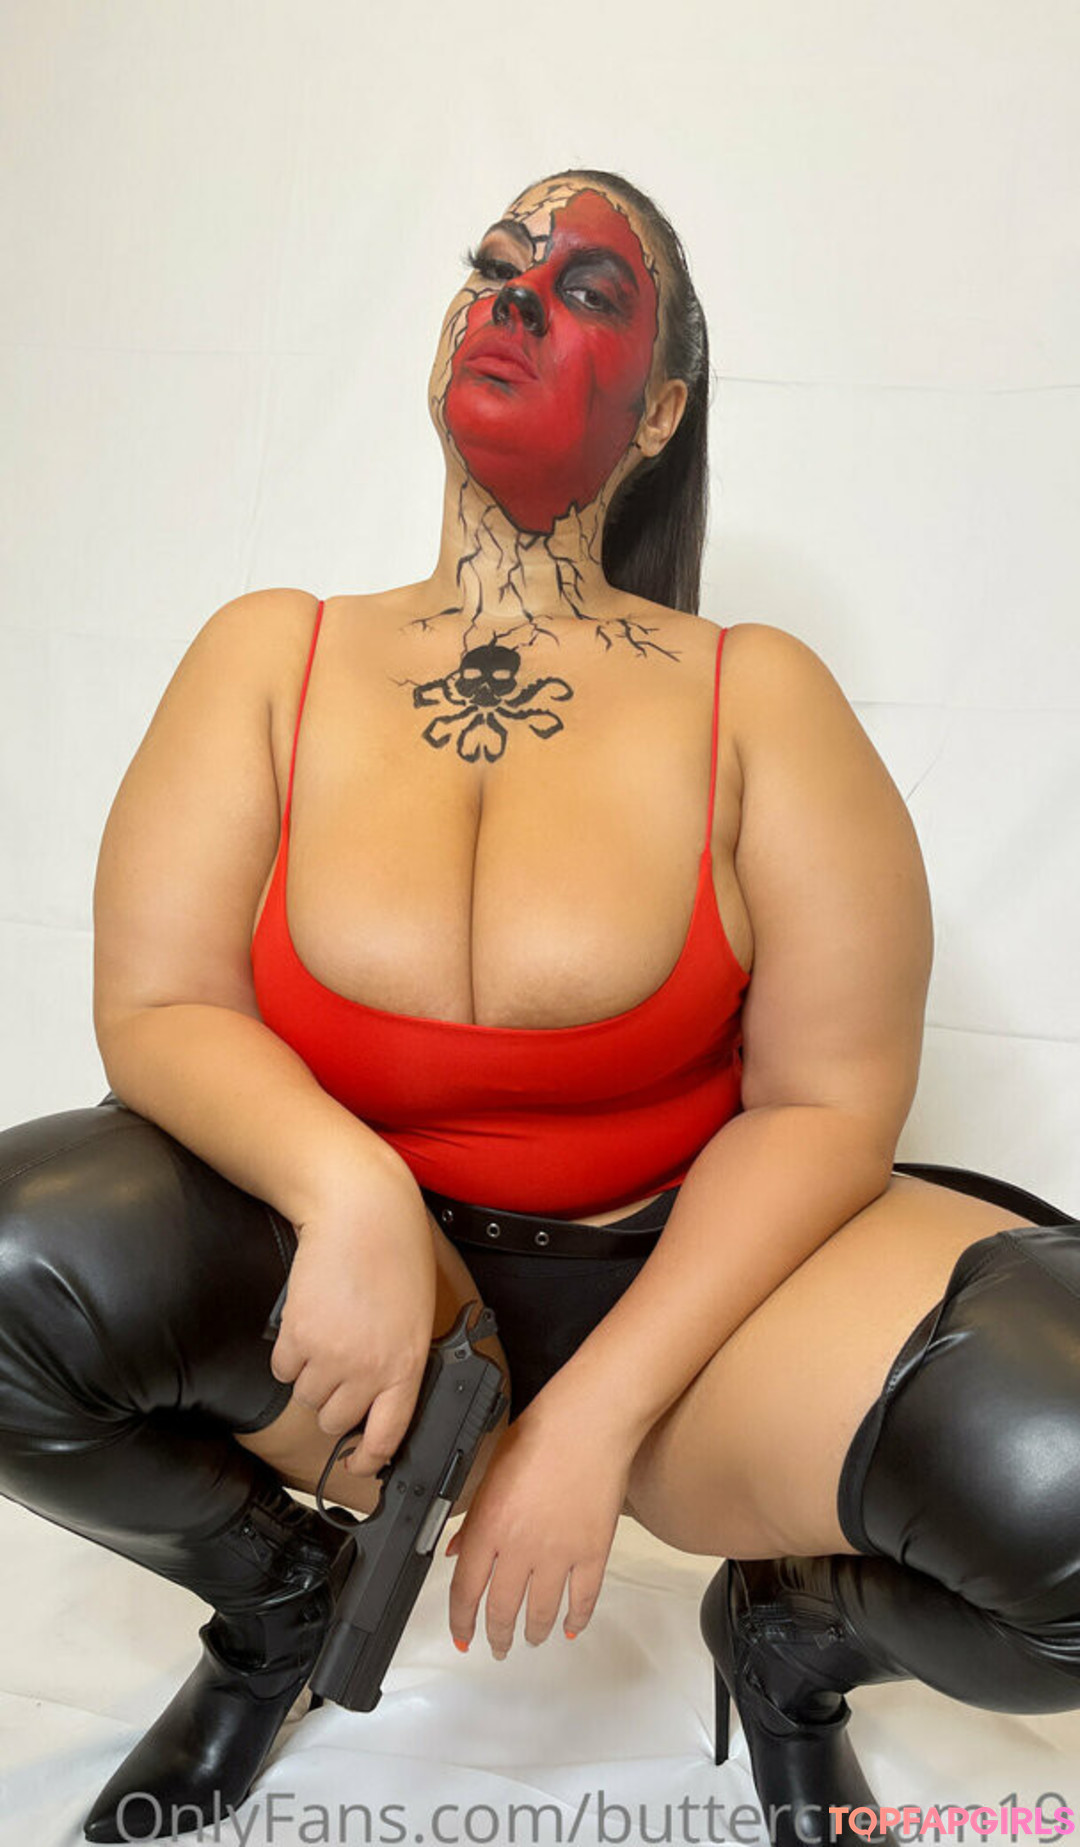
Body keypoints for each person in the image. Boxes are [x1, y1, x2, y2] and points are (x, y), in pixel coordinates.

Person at [0, 165, 1077, 1847]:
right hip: (354, 1313)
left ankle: (795, 1644)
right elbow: (158, 1004)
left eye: (583, 286)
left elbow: (827, 1106)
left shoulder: (757, 700)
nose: (511, 292)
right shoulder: (269, 658)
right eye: (495, 263)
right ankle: (278, 1604)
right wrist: (350, 1190)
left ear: (660, 411)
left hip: (692, 1307)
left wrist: (589, 1420)